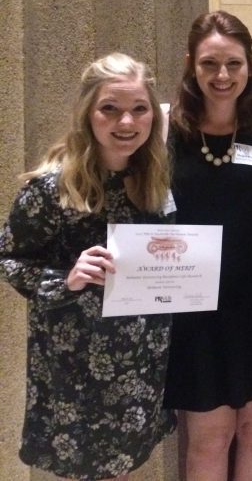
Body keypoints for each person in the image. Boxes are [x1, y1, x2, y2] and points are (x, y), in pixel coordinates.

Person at [0, 53, 174, 480]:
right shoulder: (51, 187)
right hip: (76, 365)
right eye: (110, 109)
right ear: (88, 114)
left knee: (123, 469)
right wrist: (66, 280)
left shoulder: (152, 180)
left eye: (139, 109)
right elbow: (8, 258)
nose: (126, 122)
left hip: (140, 361)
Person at [164, 11, 252, 480]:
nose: (222, 76)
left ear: (250, 67)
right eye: (209, 64)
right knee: (209, 437)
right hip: (195, 307)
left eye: (234, 64)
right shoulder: (164, 133)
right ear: (190, 66)